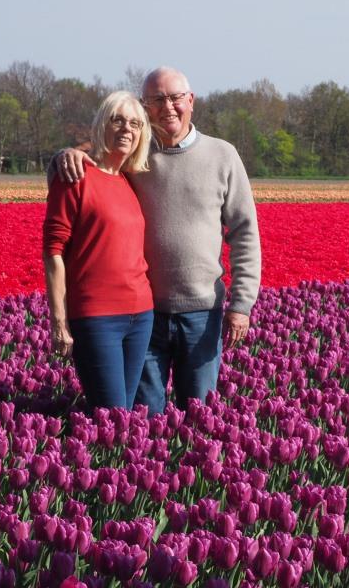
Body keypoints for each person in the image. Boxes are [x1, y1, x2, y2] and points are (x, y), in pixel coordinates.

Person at [56, 66, 261, 415]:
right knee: (145, 419)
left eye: (176, 98)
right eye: (157, 100)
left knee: (198, 415)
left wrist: (242, 304)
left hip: (202, 311)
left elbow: (245, 232)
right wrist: (69, 153)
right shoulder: (135, 157)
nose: (168, 107)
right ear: (144, 107)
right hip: (145, 314)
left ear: (191, 101)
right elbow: (100, 155)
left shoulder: (222, 155)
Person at [43, 91, 154, 410]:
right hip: (96, 316)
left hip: (141, 314)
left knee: (125, 416)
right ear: (101, 125)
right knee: (111, 415)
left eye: (134, 124)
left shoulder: (130, 181)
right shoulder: (75, 177)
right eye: (117, 120)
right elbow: (53, 252)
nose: (126, 129)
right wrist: (59, 321)